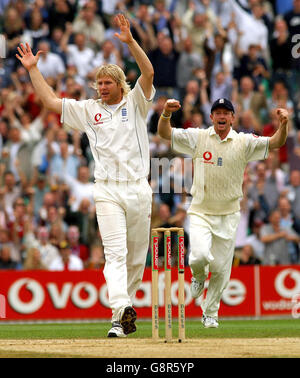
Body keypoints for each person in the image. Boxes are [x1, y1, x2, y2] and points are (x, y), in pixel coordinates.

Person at [16, 13, 154, 338]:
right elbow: (50, 101)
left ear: (120, 84)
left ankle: (122, 316)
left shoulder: (135, 102)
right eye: (99, 83)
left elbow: (147, 72)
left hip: (138, 189)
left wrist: (130, 41)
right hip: (107, 190)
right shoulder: (88, 109)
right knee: (115, 254)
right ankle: (120, 309)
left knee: (135, 260)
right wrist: (33, 69)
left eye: (108, 83)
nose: (102, 87)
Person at [158, 97, 289, 328]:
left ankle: (210, 313)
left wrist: (284, 124)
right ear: (211, 117)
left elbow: (275, 143)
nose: (221, 116)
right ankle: (198, 275)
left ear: (232, 118)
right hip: (200, 211)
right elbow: (165, 133)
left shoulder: (244, 142)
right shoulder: (198, 137)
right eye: (217, 112)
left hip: (228, 214)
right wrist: (166, 113)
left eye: (225, 113)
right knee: (198, 256)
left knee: (220, 270)